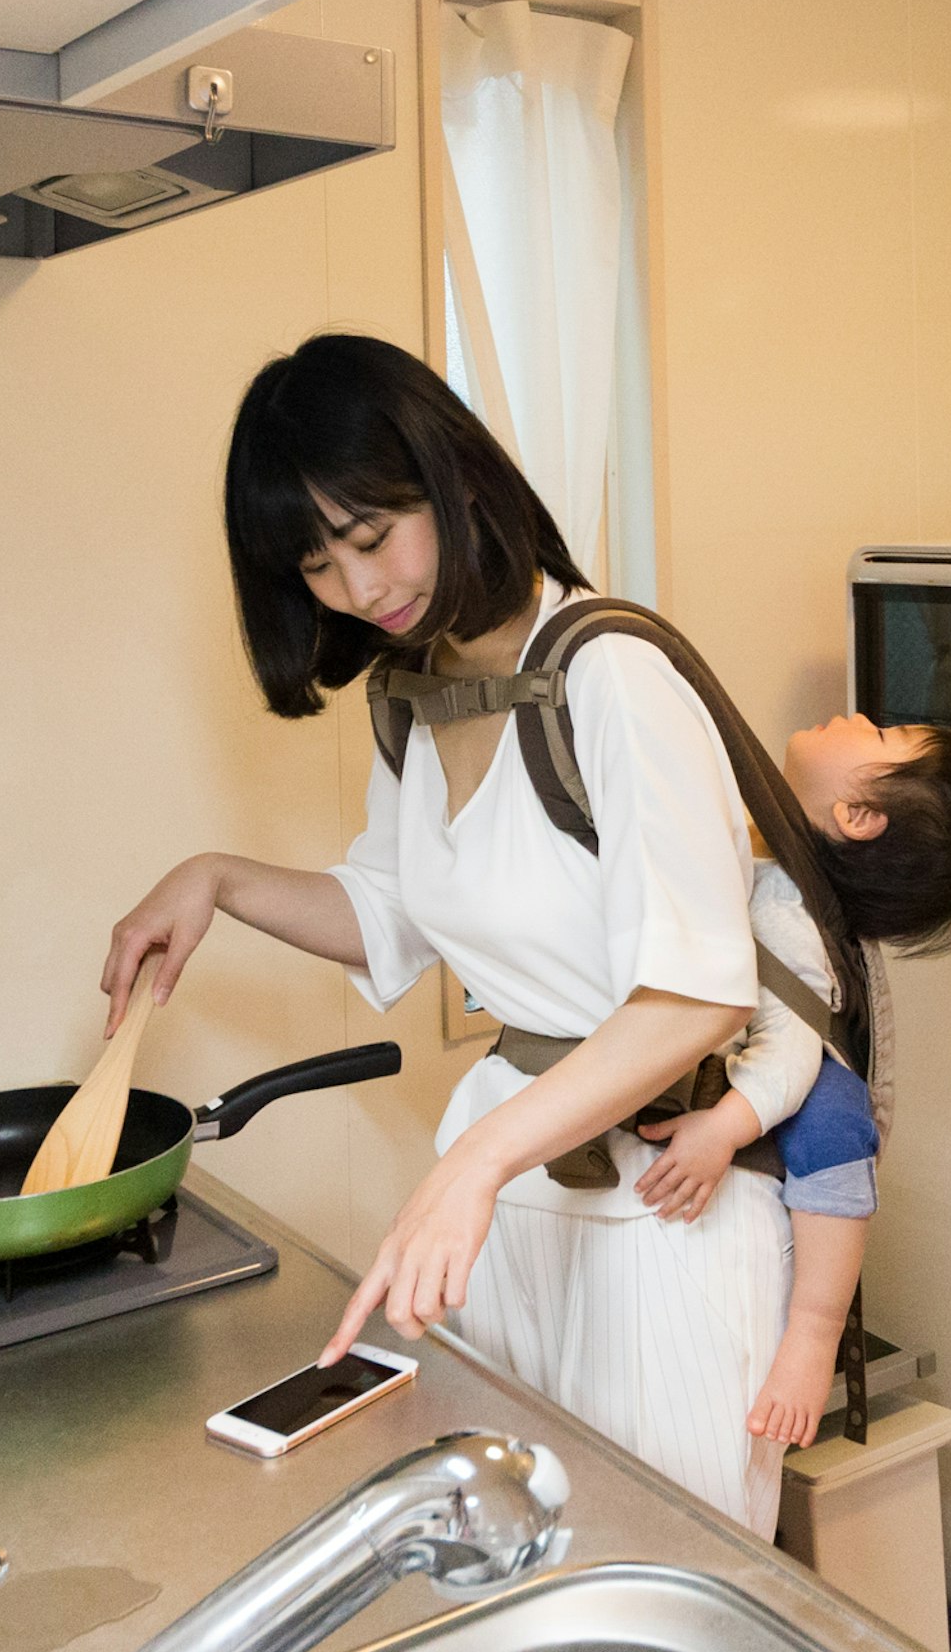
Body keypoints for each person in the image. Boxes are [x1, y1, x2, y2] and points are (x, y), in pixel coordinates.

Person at [101, 334, 809, 1530]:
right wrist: (213, 878)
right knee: (524, 1571)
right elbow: (392, 908)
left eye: (372, 537)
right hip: (521, 1193)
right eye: (316, 565)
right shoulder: (415, 695)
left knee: (665, 1577)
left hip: (668, 1205)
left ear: (451, 476)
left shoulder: (609, 673)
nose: (359, 590)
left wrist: (471, 1165)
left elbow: (698, 995)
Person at [628, 710, 951, 1448]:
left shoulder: (788, 910)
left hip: (793, 1078)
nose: (860, 716)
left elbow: (789, 1052)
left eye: (880, 738)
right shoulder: (747, 827)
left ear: (859, 815)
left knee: (836, 1116)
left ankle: (814, 1335)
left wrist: (725, 1127)